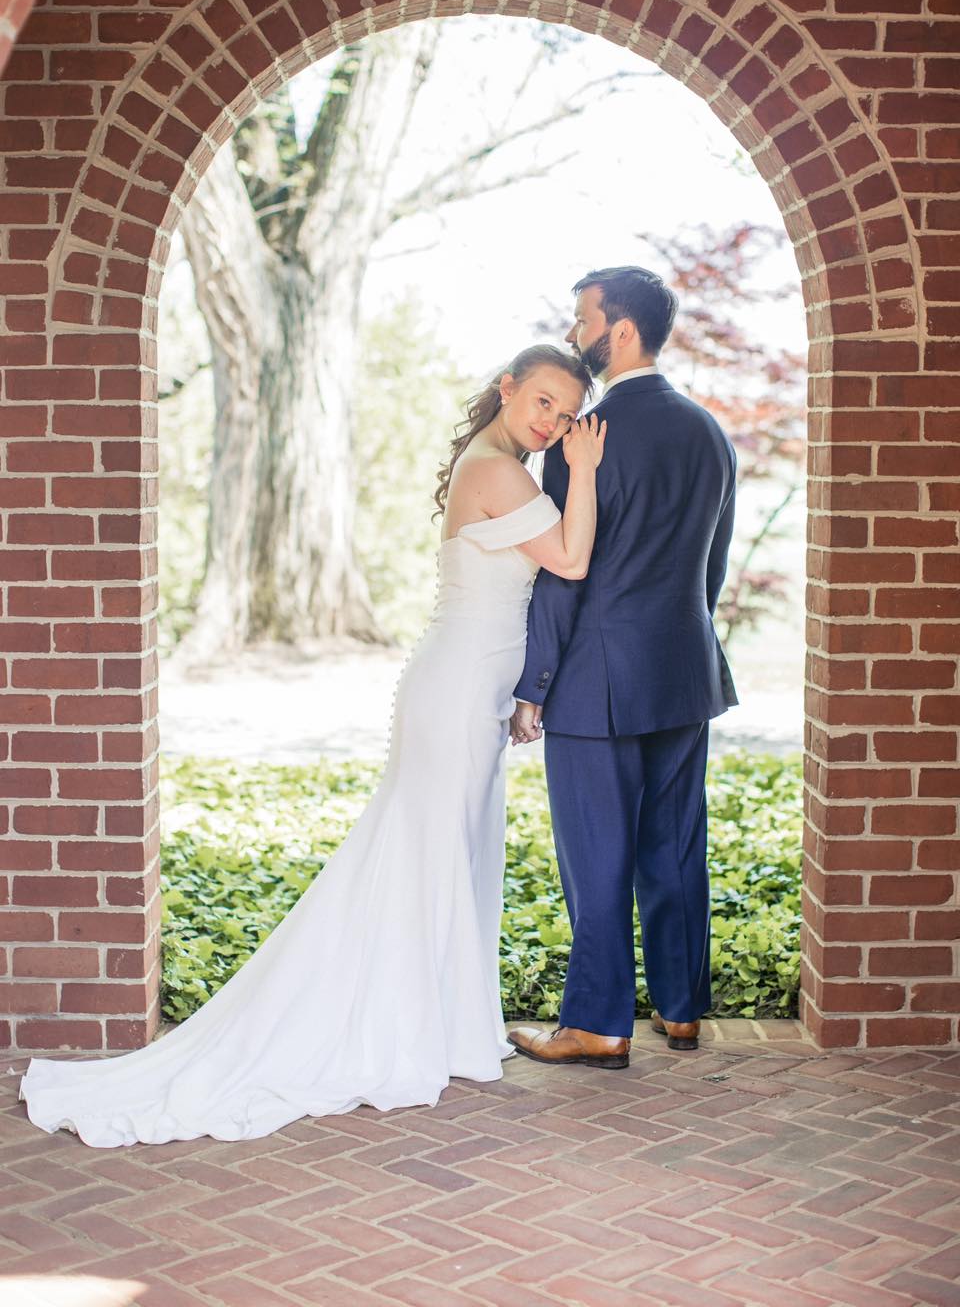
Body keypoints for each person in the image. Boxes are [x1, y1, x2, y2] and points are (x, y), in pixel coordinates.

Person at [17, 344, 604, 1149]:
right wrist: (589, 465)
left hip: (471, 683)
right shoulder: (500, 469)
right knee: (428, 852)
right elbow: (569, 560)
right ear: (507, 388)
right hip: (459, 683)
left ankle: (443, 1023)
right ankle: (404, 1029)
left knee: (443, 852)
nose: (554, 423)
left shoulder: (504, 462)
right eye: (544, 402)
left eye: (567, 414)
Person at [508, 267, 738, 1069]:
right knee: (675, 845)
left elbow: (567, 575)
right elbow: (712, 566)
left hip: (595, 682)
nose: (576, 336)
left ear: (623, 330)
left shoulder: (584, 438)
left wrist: (534, 685)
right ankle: (680, 1009)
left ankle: (597, 1023)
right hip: (683, 667)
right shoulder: (710, 431)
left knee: (596, 855)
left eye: (584, 320)